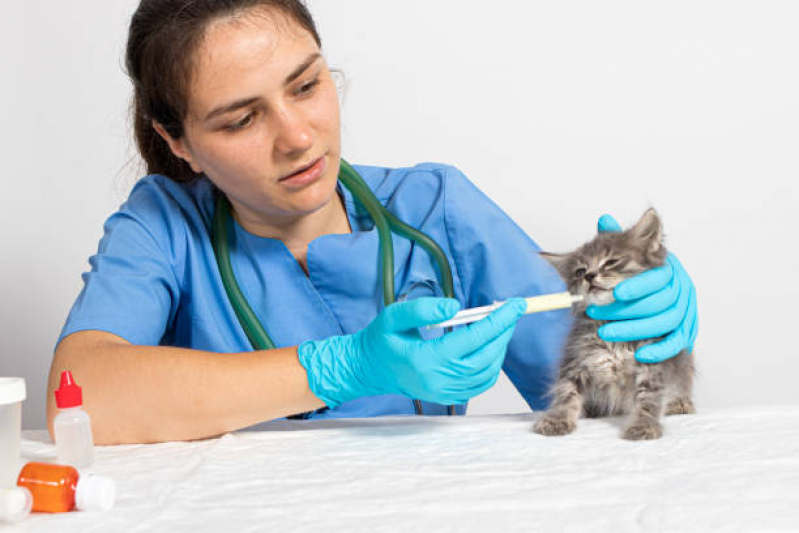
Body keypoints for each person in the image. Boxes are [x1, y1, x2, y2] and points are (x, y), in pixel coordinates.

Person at [47, 0, 697, 445]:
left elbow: (599, 404)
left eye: (304, 86)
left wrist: (644, 329)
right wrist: (344, 365)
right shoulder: (162, 226)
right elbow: (80, 396)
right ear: (178, 140)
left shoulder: (434, 209)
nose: (297, 136)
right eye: (242, 119)